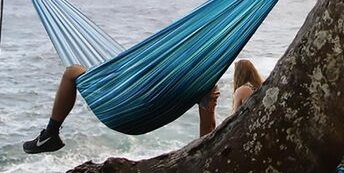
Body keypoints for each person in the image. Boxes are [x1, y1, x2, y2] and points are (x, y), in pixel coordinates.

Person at [22, 65, 220, 154]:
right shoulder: (206, 85)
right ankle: (50, 135)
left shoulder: (170, 70)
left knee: (72, 71)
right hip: (144, 112)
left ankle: (50, 134)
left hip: (129, 106)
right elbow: (208, 129)